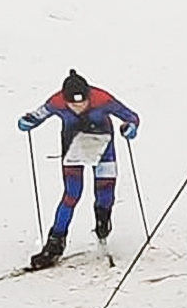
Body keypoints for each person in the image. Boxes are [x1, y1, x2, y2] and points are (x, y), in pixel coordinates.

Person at [17, 70, 140, 269]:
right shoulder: (57, 102)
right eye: (73, 104)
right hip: (74, 149)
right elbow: (38, 115)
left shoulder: (102, 99)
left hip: (103, 149)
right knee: (71, 194)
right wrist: (27, 122)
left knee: (105, 193)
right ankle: (54, 244)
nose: (78, 107)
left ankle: (102, 224)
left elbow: (130, 116)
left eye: (82, 102)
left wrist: (130, 127)